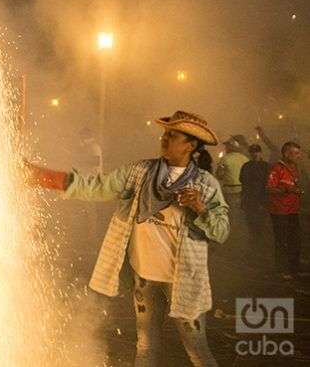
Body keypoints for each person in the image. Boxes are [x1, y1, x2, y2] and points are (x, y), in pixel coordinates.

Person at [26, 110, 228, 367]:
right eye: (165, 133)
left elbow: (221, 231)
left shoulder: (205, 184)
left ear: (190, 145)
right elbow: (96, 187)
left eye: (172, 135)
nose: (164, 139)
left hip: (184, 281)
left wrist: (200, 208)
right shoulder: (140, 172)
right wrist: (47, 178)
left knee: (197, 349)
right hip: (144, 277)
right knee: (145, 347)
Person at [266, 141, 304, 279]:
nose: (298, 156)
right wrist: (286, 189)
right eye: (295, 153)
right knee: (282, 240)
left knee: (295, 240)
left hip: (293, 210)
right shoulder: (277, 169)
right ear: (286, 153)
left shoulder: (295, 168)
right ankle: (282, 270)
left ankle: (295, 268)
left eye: (298, 153)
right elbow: (269, 189)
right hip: (279, 211)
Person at [239, 144, 270, 252]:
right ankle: (255, 245)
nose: (254, 154)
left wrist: (265, 201)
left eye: (256, 151)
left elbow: (268, 184)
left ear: (260, 152)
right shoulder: (246, 166)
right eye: (252, 152)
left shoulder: (266, 166)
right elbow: (243, 181)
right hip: (249, 198)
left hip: (261, 199)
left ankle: (259, 246)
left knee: (261, 223)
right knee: (251, 222)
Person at [215, 135, 249, 208]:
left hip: (229, 191)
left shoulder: (225, 159)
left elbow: (219, 175)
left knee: (232, 213)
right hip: (243, 190)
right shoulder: (245, 158)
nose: (225, 148)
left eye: (227, 146)